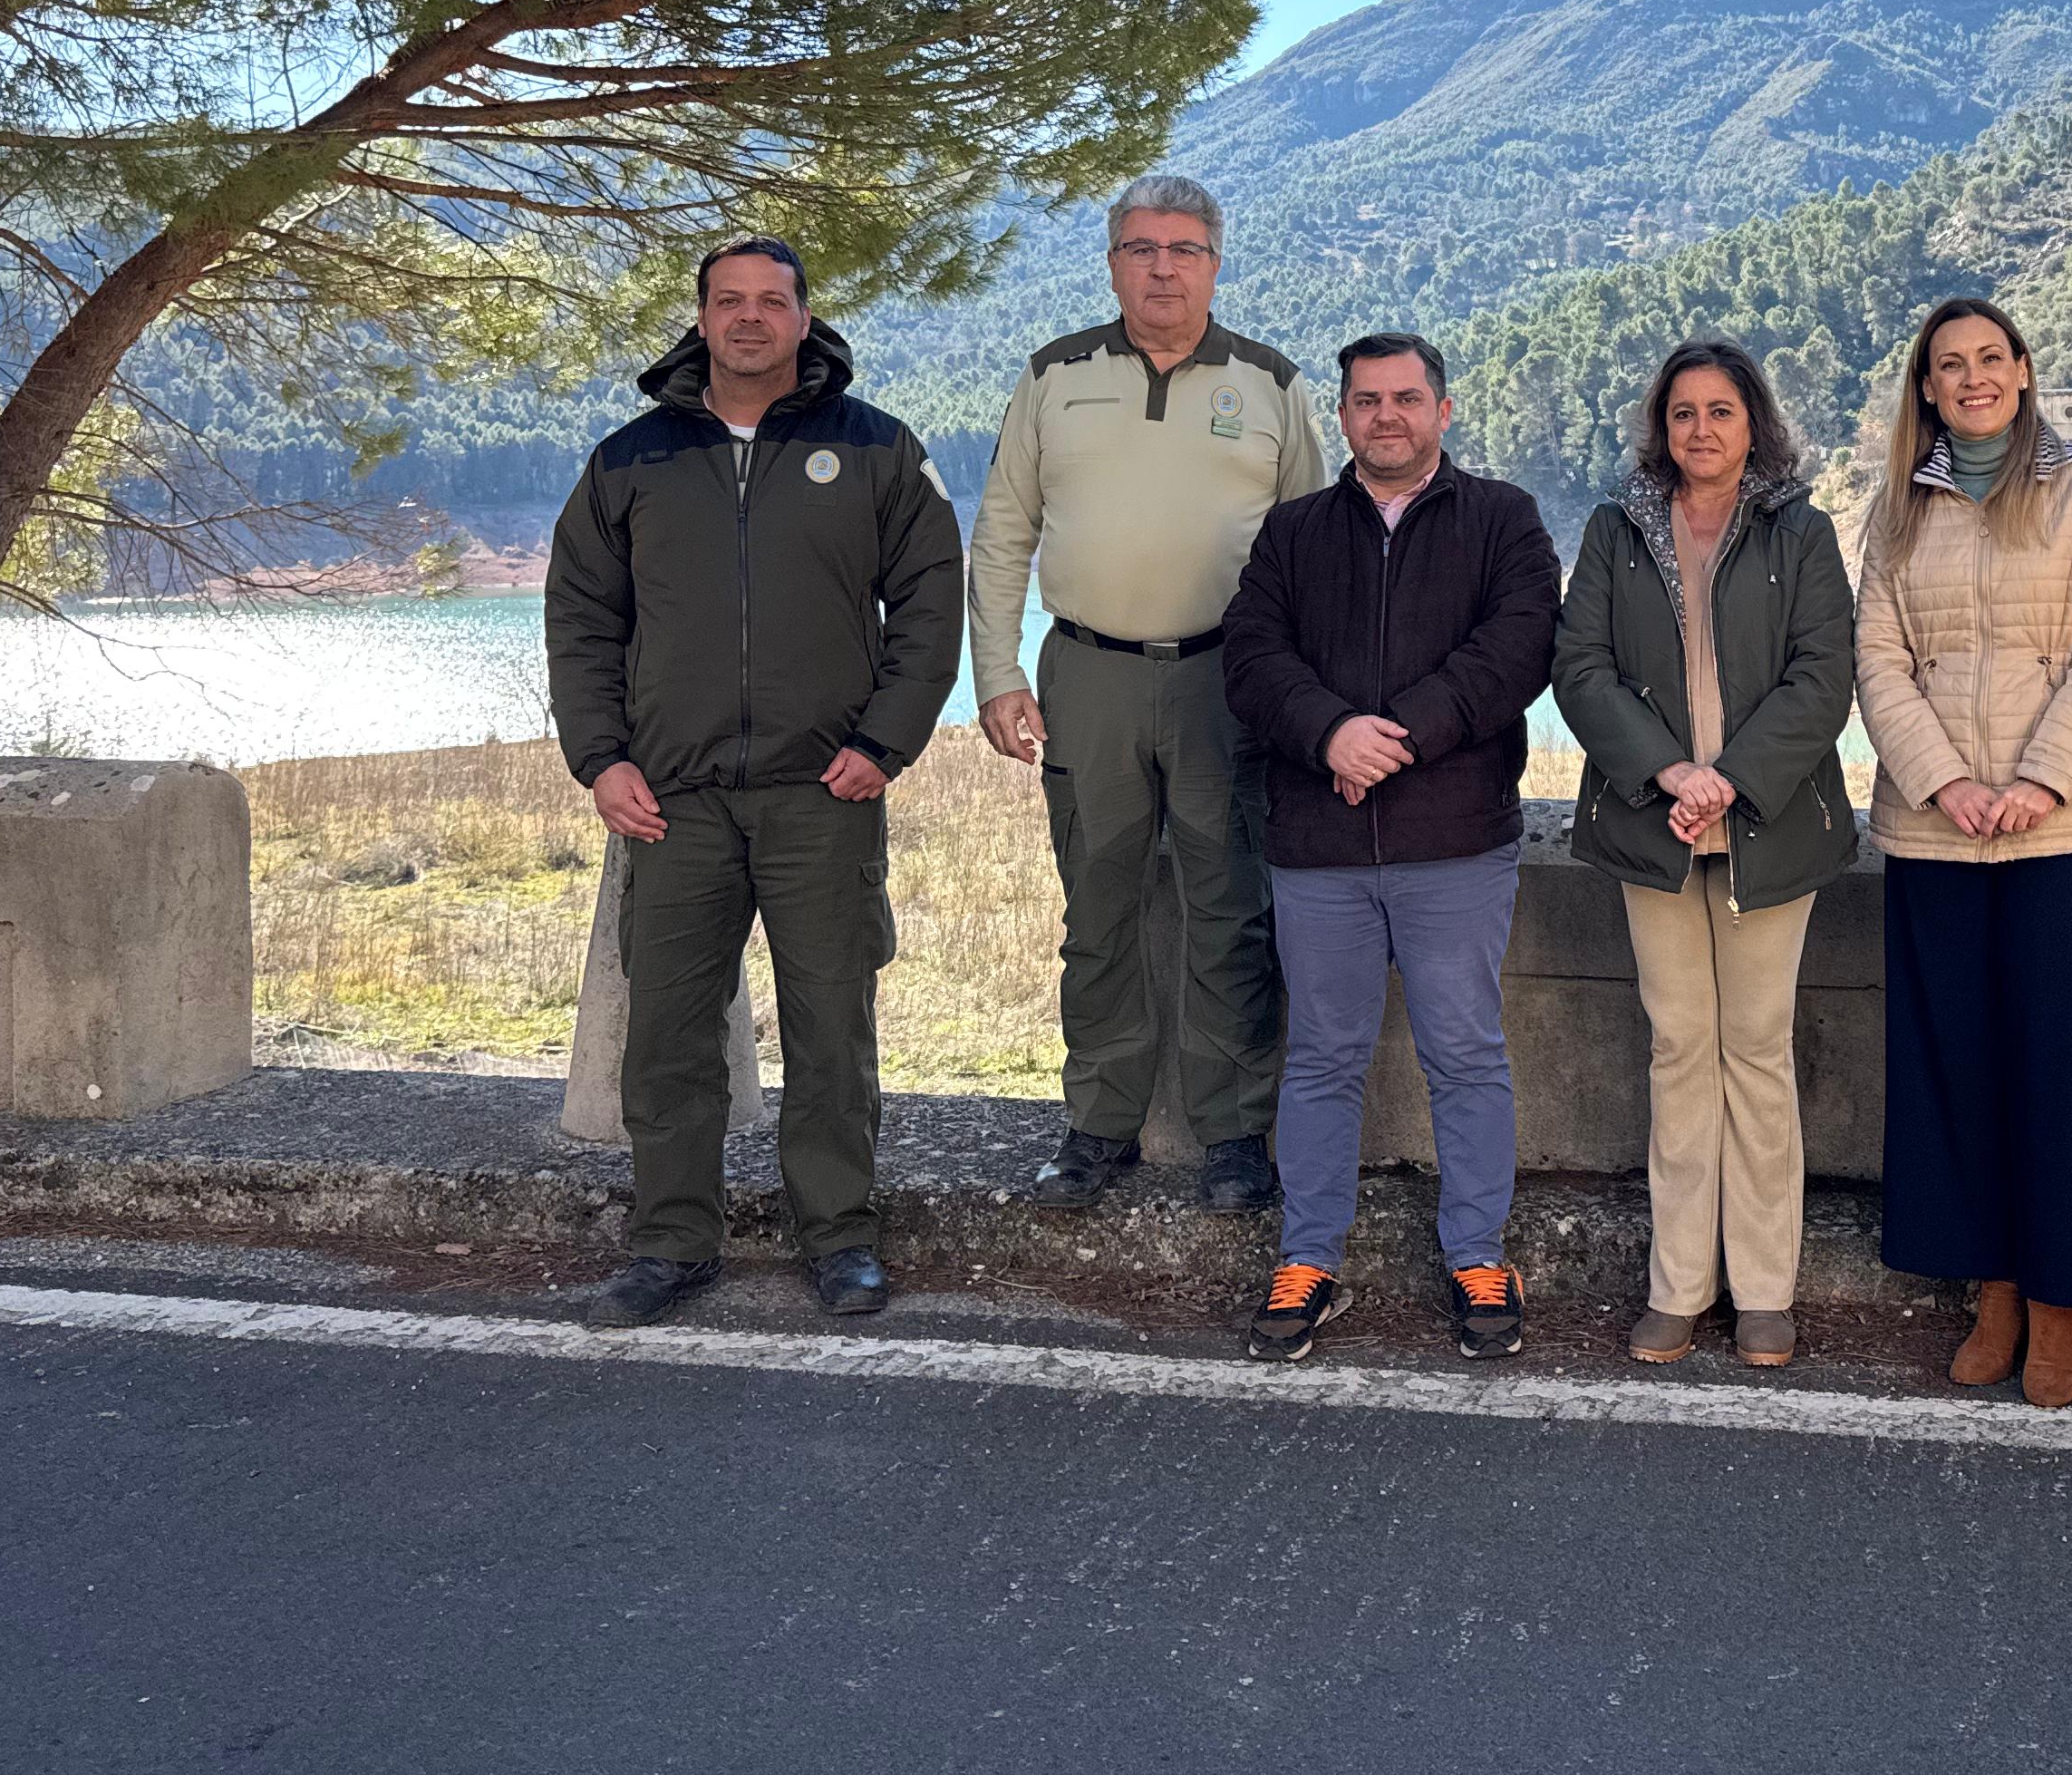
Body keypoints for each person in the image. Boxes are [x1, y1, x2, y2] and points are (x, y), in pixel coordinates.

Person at [546, 238, 963, 1327]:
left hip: (823, 796)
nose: (748, 318)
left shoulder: (875, 450)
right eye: (728, 301)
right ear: (699, 318)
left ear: (802, 317)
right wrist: (602, 759)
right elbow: (583, 621)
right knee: (669, 1031)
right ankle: (673, 1243)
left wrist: (886, 741)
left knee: (832, 1023)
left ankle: (841, 1238)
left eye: (770, 301)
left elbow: (929, 603)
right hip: (670, 799)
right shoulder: (631, 461)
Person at [966, 174, 1326, 1217]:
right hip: (1088, 672)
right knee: (1100, 906)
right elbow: (1000, 538)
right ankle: (1098, 1125)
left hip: (1233, 677)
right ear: (1113, 261)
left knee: (1231, 907)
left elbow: (1314, 549)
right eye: (1140, 248)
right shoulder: (1054, 376)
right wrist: (995, 674)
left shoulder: (1270, 384)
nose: (1162, 266)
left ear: (1216, 262)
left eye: (1183, 248)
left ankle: (1232, 1135)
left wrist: (1305, 697)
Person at [1220, 334, 1562, 1363]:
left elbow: (1514, 652)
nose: (1387, 417)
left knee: (1466, 1053)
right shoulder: (1292, 533)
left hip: (1453, 838)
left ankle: (1476, 1255)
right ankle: (1309, 1256)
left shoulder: (1505, 520)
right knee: (1321, 1057)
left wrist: (1393, 737)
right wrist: (1330, 733)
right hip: (1317, 844)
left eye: (1407, 399)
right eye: (1367, 401)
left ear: (1443, 411)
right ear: (1343, 416)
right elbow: (1250, 656)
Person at [1854, 296, 2072, 1409]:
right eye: (1949, 365)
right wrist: (1947, 782)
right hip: (1937, 830)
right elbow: (1877, 661)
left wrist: (2037, 781)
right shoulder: (1895, 510)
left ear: (2025, 372)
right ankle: (1993, 1291)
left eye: (1990, 359)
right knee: (1955, 1069)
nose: (1972, 378)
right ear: (1925, 388)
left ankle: (2063, 1305)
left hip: (2065, 828)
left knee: (2065, 1074)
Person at [1553, 342, 1857, 1368]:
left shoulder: (1801, 531)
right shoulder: (1613, 530)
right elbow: (1580, 668)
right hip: (1657, 824)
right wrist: (1671, 775)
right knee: (1681, 1050)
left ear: (1753, 423)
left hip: (1768, 823)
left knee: (1758, 1053)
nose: (1701, 430)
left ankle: (1766, 1288)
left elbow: (1825, 677)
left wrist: (1730, 777)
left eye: (1721, 411)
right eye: (1683, 413)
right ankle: (1680, 1284)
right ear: (1661, 428)